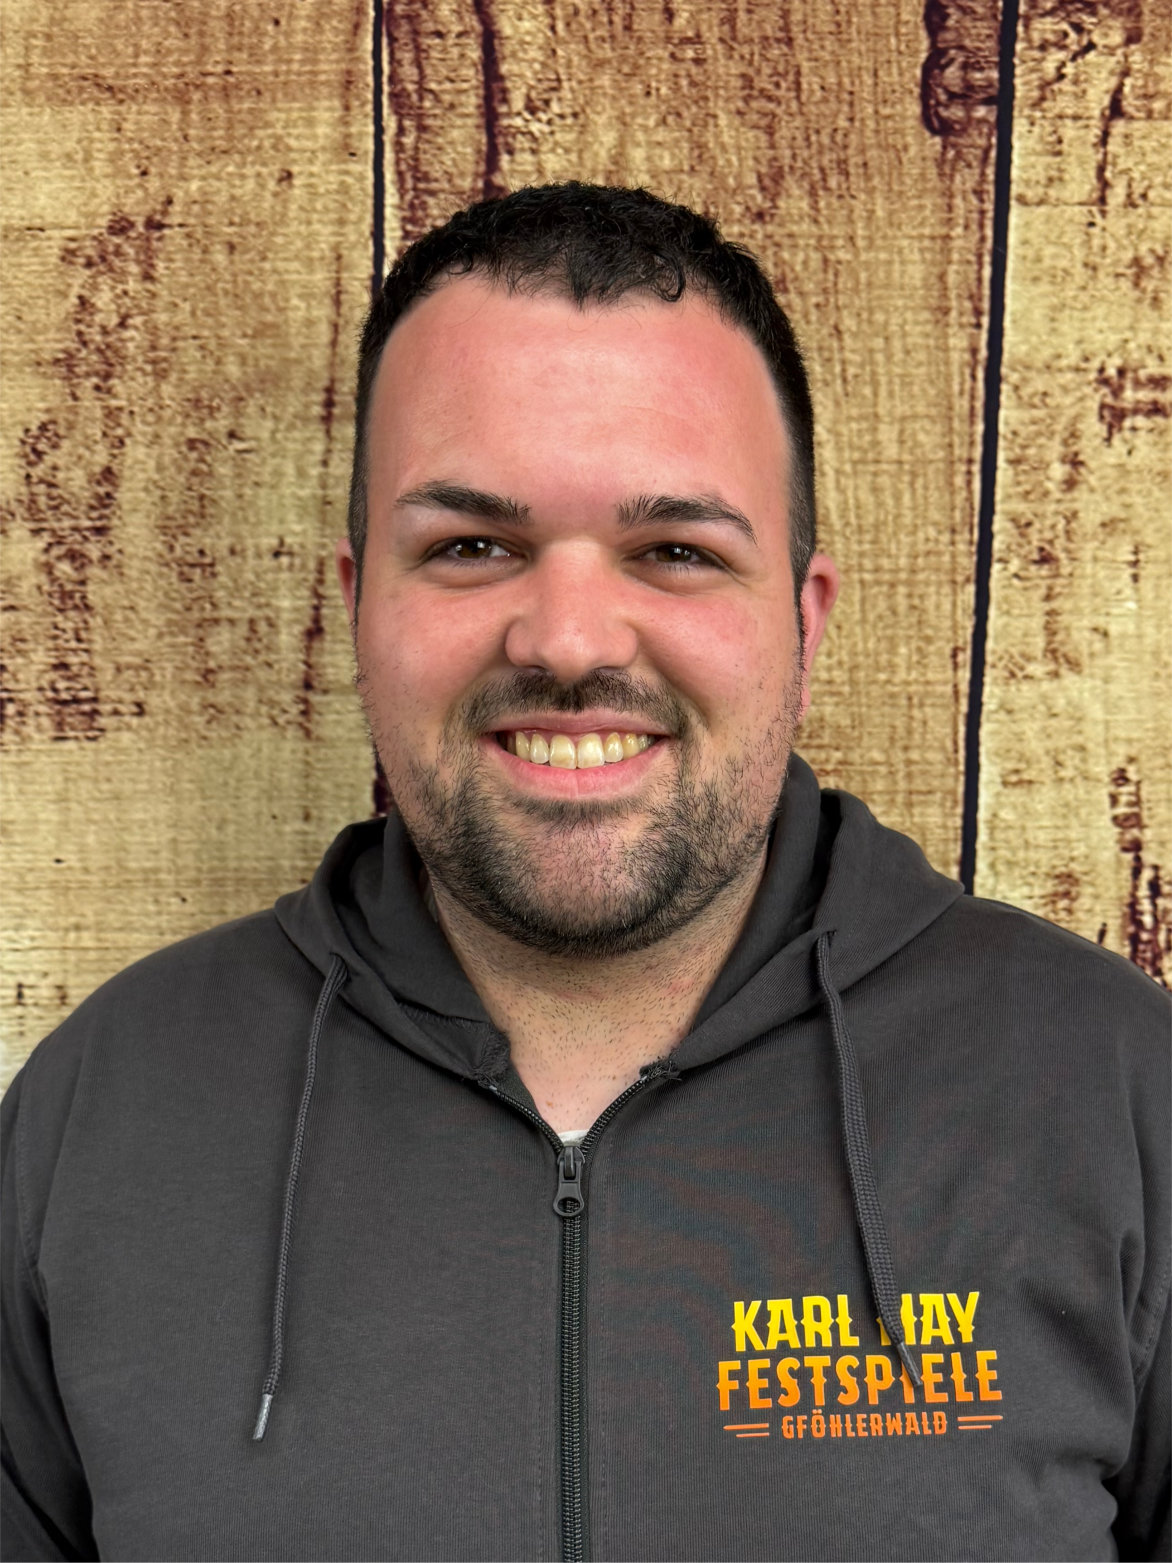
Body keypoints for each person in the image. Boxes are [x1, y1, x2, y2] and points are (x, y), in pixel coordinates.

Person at [2, 182, 1168, 1563]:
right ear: (358, 603)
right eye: (471, 547)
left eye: (674, 551)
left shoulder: (1115, 1094)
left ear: (803, 620)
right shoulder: (99, 1119)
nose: (566, 638)